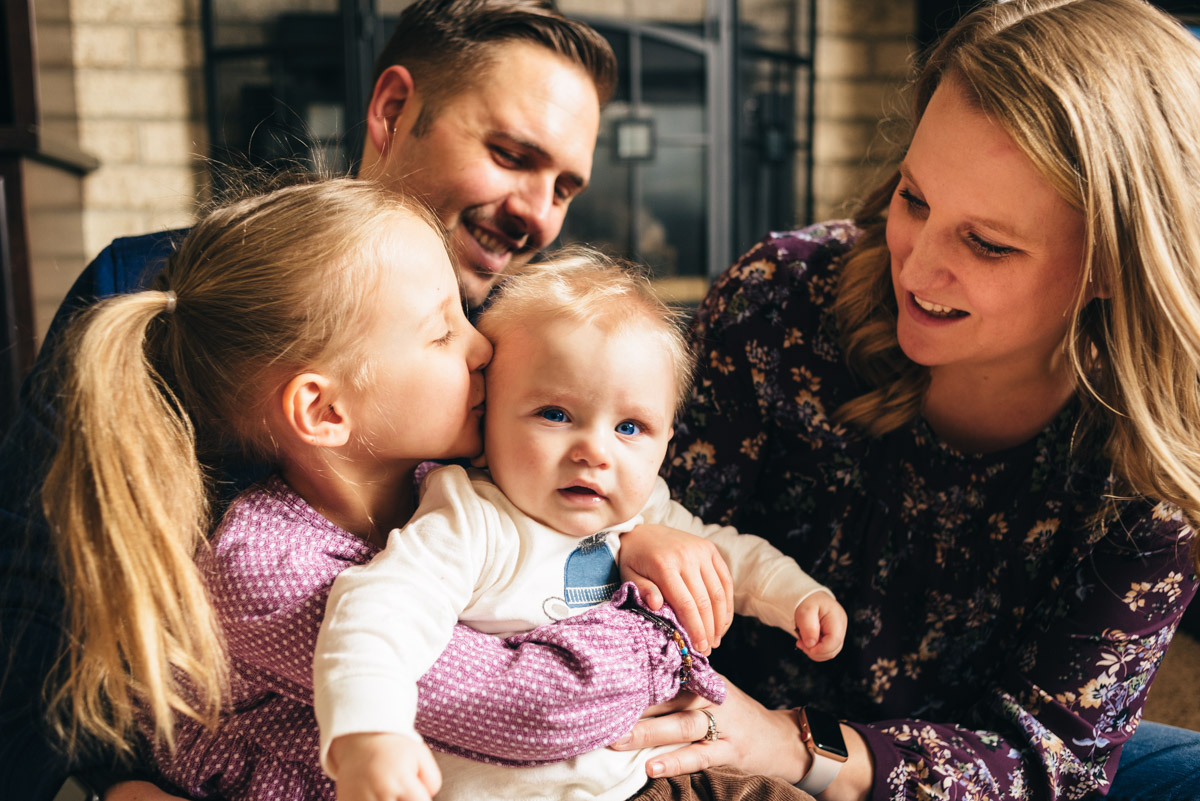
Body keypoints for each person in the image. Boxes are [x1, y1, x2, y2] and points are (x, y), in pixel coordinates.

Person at [0, 2, 619, 798]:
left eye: (566, 187)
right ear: (394, 109)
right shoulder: (169, 295)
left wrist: (641, 547)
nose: (539, 214)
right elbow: (31, 636)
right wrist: (119, 787)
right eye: (510, 154)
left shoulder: (528, 352)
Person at [610, 0, 1200, 799]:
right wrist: (631, 537)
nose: (916, 269)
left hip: (922, 756)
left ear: (1110, 266)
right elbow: (615, 527)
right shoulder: (781, 301)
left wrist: (791, 744)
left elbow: (1050, 759)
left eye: (986, 243)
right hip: (715, 720)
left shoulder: (1159, 458)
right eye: (915, 199)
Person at [29, 179, 737, 801]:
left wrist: (633, 536)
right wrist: (662, 637)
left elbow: (549, 523)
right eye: (442, 332)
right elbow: (538, 709)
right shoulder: (266, 571)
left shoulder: (440, 476)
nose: (484, 346)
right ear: (326, 412)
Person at [312, 254, 848, 801]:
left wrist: (797, 596)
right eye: (555, 414)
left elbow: (724, 556)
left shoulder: (643, 513)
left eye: (630, 427)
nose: (594, 451)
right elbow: (381, 610)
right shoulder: (475, 519)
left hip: (648, 781)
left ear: (666, 442)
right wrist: (367, 733)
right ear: (487, 414)